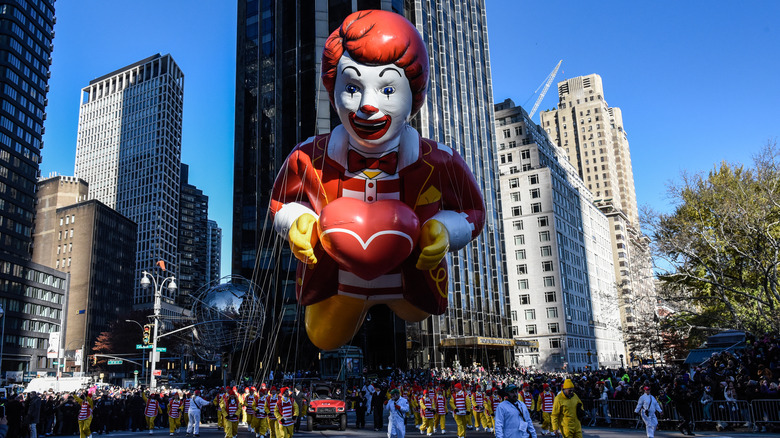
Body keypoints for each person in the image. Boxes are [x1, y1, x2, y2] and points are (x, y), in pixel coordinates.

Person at [269, 9, 486, 352]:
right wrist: (298, 222)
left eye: (387, 89)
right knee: (323, 338)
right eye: (352, 87)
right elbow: (281, 200)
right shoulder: (308, 156)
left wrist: (444, 230)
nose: (368, 105)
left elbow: (473, 210)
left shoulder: (439, 159)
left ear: (414, 97)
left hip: (412, 287)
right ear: (333, 89)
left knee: (414, 315)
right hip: (337, 286)